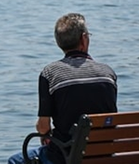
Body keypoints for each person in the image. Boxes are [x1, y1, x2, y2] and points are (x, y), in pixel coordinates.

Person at [8, 13, 117, 164]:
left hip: (64, 156)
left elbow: (43, 126)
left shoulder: (50, 73)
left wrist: (45, 134)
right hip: (104, 153)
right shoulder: (108, 73)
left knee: (16, 160)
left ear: (59, 42)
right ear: (84, 39)